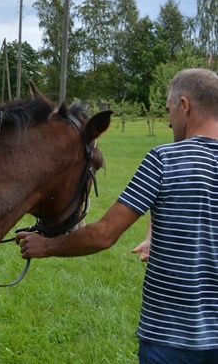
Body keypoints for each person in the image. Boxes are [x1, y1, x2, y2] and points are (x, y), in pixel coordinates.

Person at [16, 68, 218, 364]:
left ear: (185, 106)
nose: (168, 120)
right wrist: (154, 235)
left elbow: (104, 234)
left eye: (169, 110)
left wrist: (46, 246)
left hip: (169, 340)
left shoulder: (164, 159)